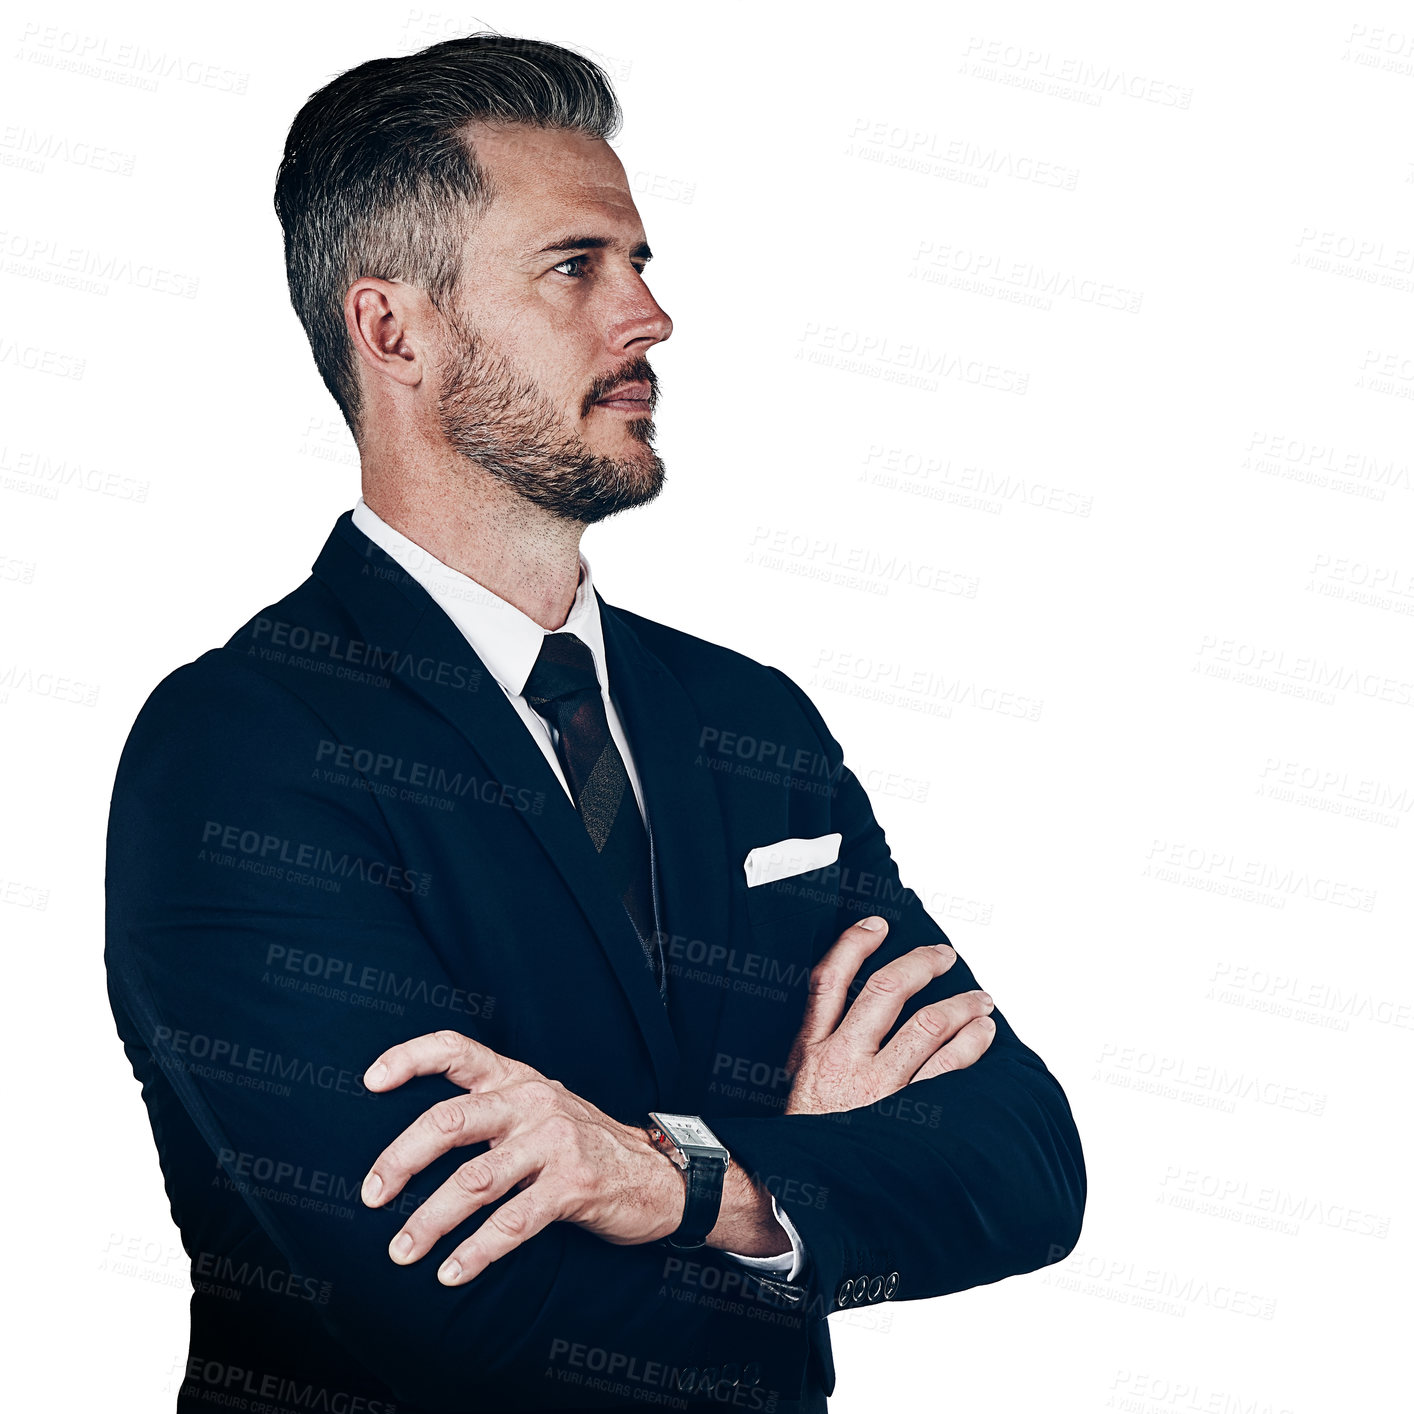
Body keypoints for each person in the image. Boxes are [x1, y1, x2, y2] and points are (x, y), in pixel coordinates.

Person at [105, 32, 1086, 1414]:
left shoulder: (748, 719)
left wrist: (657, 1178)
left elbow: (1024, 1166)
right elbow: (464, 1321)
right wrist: (787, 1187)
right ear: (395, 329)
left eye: (639, 263)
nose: (648, 319)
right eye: (576, 268)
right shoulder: (239, 747)